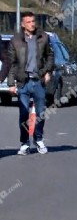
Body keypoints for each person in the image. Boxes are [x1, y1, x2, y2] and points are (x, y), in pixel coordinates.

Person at [7, 11, 54, 155]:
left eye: (33, 21)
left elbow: (50, 56)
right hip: (23, 82)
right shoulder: (15, 41)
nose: (32, 24)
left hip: (38, 81)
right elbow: (11, 63)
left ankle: (38, 139)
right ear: (22, 24)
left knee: (40, 113)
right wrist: (11, 83)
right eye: (28, 22)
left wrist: (47, 72)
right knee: (23, 114)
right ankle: (24, 143)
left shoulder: (43, 37)